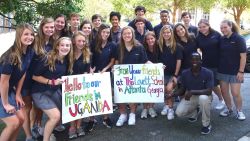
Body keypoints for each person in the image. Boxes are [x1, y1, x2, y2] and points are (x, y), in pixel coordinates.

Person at [31, 37, 74, 141]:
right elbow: (34, 76)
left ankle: (48, 129)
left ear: (70, 47)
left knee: (62, 113)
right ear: (57, 46)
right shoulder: (48, 58)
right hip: (40, 92)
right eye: (62, 45)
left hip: (54, 91)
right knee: (55, 116)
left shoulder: (67, 60)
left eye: (67, 45)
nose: (65, 47)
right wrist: (51, 81)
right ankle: (46, 138)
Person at [0, 23, 34, 141]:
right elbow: (3, 82)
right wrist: (5, 104)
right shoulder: (11, 56)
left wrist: (18, 94)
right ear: (19, 35)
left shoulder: (29, 52)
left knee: (21, 119)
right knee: (13, 123)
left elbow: (23, 72)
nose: (29, 37)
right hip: (2, 90)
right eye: (26, 34)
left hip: (9, 91)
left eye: (31, 34)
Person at [115, 26, 150, 126]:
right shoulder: (118, 46)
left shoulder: (139, 46)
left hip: (135, 77)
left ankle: (132, 114)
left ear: (132, 34)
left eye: (129, 33)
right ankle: (123, 114)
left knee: (133, 95)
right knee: (119, 95)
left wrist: (157, 67)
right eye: (124, 33)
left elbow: (145, 61)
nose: (127, 35)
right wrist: (115, 68)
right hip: (121, 76)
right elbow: (116, 61)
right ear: (121, 35)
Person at [175, 52, 214, 135]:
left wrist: (192, 91)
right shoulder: (185, 73)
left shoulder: (208, 73)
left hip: (205, 96)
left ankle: (206, 124)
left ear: (201, 61)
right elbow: (182, 89)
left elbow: (209, 91)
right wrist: (171, 95)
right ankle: (194, 112)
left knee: (203, 98)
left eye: (197, 59)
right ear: (190, 61)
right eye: (192, 60)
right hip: (192, 97)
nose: (194, 61)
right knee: (179, 113)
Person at [87, 24, 116, 132]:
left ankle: (106, 118)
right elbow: (88, 57)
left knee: (105, 96)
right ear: (99, 32)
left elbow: (112, 61)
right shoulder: (93, 43)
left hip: (105, 73)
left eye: (107, 32)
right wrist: (90, 68)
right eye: (103, 32)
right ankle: (91, 119)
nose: (105, 34)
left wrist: (105, 69)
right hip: (93, 73)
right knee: (92, 97)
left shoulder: (112, 45)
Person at [30, 17, 55, 138]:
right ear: (42, 27)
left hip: (42, 79)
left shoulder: (52, 42)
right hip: (30, 77)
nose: (50, 29)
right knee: (31, 107)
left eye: (52, 27)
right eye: (47, 27)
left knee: (39, 106)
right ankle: (30, 132)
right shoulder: (35, 41)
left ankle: (38, 126)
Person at [217, 20, 247, 120]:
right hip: (222, 70)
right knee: (224, 92)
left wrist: (241, 71)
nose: (223, 29)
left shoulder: (239, 38)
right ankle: (229, 109)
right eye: (221, 28)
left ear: (230, 27)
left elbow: (243, 56)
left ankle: (239, 111)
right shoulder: (221, 39)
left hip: (235, 71)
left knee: (235, 93)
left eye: (225, 27)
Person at [196, 19, 225, 110]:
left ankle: (223, 100)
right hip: (206, 64)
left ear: (208, 26)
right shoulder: (198, 37)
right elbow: (195, 49)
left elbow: (224, 48)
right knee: (211, 85)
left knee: (219, 84)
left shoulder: (216, 34)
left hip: (218, 63)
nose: (202, 29)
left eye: (204, 26)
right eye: (200, 27)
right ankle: (218, 99)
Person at [68, 31, 91, 139]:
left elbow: (86, 70)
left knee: (80, 104)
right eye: (79, 41)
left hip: (81, 83)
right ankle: (72, 127)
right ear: (73, 41)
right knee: (72, 105)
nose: (81, 43)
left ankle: (78, 126)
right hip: (69, 84)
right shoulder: (68, 53)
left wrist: (88, 74)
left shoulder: (87, 54)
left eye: (83, 41)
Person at [158, 25, 183, 120]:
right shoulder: (159, 45)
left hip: (173, 73)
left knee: (169, 89)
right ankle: (167, 105)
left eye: (168, 32)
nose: (166, 34)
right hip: (162, 73)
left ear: (171, 33)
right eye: (164, 33)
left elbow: (179, 61)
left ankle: (171, 109)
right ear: (161, 34)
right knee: (164, 89)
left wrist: (175, 75)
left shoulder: (177, 46)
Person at [140, 31, 159, 119]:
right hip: (145, 72)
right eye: (148, 39)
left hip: (156, 73)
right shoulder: (142, 48)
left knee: (153, 90)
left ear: (155, 38)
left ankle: (151, 107)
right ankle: (144, 108)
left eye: (152, 38)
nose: (150, 40)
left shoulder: (159, 47)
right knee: (145, 90)